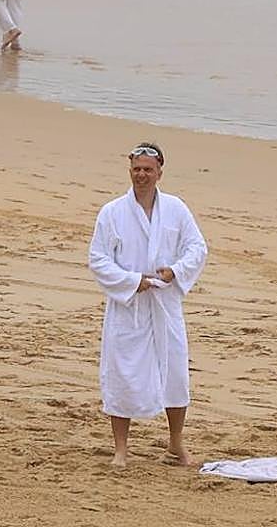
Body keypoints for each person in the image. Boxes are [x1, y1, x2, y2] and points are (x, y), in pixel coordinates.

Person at [88, 142, 208, 467]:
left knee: (175, 373)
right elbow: (98, 259)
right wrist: (131, 281)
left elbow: (197, 247)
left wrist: (176, 271)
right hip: (129, 306)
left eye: (148, 170)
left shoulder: (176, 209)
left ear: (159, 173)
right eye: (137, 169)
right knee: (122, 373)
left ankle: (175, 445)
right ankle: (121, 450)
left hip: (165, 304)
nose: (142, 175)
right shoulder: (112, 212)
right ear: (130, 170)